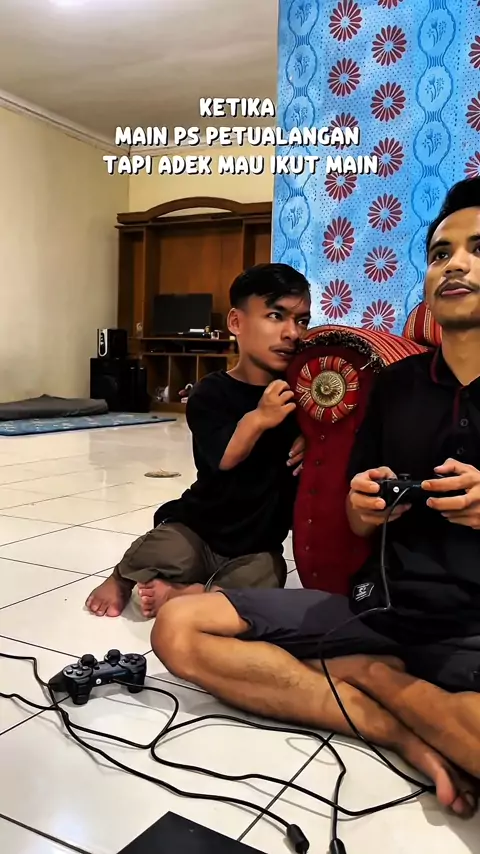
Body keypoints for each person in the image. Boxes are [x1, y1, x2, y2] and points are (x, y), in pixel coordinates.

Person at [150, 177, 480, 818]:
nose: (455, 264)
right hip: (378, 610)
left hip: (470, 629)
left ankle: (374, 680)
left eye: (478, 249)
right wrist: (365, 507)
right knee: (178, 627)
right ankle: (396, 719)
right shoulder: (395, 385)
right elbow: (356, 520)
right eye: (441, 253)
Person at [86, 263, 311, 619]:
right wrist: (258, 418)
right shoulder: (211, 392)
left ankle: (187, 593)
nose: (292, 333)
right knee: (165, 548)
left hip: (256, 545)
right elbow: (225, 458)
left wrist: (311, 439)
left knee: (267, 575)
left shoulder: (300, 396)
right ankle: (120, 577)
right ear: (236, 322)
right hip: (200, 530)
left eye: (302, 321)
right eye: (275, 315)